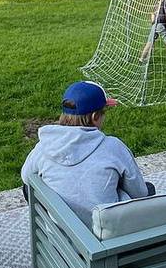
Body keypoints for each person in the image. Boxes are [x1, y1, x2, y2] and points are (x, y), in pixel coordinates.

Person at [21, 81, 153, 223]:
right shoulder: (114, 147)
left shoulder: (44, 146)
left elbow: (26, 177)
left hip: (62, 235)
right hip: (106, 236)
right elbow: (140, 193)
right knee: (149, 189)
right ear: (95, 117)